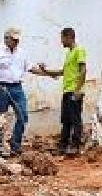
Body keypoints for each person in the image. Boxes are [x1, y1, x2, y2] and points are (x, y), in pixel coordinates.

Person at [34, 27, 88, 156]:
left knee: (75, 120)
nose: (61, 41)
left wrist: (78, 90)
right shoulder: (69, 53)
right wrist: (46, 71)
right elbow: (62, 72)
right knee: (66, 120)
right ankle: (63, 146)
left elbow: (83, 70)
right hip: (67, 91)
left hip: (74, 91)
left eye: (62, 38)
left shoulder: (79, 50)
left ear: (69, 37)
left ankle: (75, 146)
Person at [0, 27, 31, 156]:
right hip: (2, 87)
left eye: (17, 40)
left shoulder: (22, 53)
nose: (16, 42)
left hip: (17, 87)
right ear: (6, 38)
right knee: (0, 117)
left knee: (23, 115)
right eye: (13, 39)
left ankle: (15, 144)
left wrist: (47, 73)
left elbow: (30, 68)